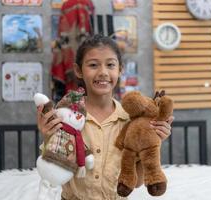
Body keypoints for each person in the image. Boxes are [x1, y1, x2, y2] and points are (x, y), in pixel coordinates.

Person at [37, 34, 174, 200]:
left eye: (110, 65)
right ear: (79, 70)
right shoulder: (67, 115)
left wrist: (154, 141)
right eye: (93, 65)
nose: (103, 72)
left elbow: (135, 182)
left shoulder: (131, 121)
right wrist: (48, 136)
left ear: (120, 69)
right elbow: (54, 169)